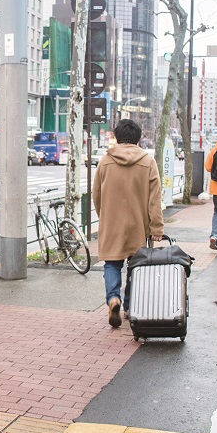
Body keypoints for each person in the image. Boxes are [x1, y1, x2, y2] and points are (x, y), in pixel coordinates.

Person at [92, 119, 164, 328]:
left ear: (116, 136)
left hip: (111, 221)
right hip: (138, 224)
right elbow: (154, 198)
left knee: (112, 263)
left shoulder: (105, 161)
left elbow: (96, 194)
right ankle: (130, 306)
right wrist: (156, 227)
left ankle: (113, 299)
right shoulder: (148, 162)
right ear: (138, 139)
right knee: (136, 265)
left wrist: (103, 216)